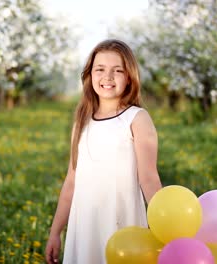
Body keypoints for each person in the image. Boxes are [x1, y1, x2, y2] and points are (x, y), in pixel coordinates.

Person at [45, 39, 163, 264]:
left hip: (122, 221)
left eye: (117, 70)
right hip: (86, 223)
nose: (107, 77)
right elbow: (72, 180)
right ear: (90, 75)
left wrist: (166, 227)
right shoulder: (81, 121)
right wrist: (55, 232)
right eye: (100, 69)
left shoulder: (136, 118)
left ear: (129, 77)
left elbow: (149, 179)